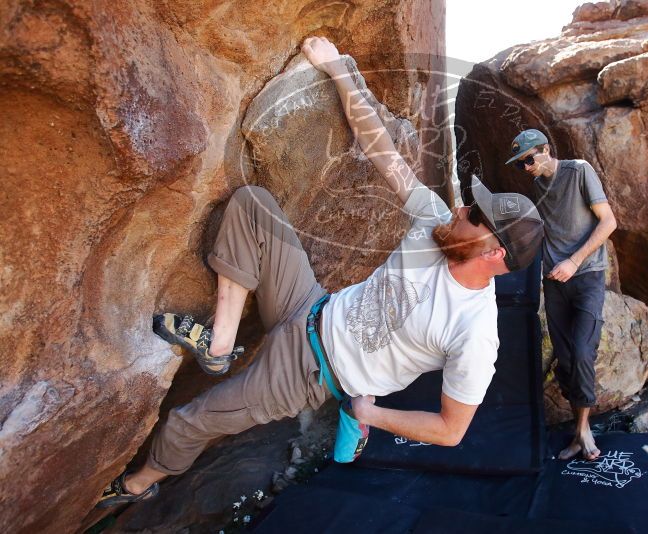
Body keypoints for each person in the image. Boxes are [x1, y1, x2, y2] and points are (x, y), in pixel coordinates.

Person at [97, 36, 543, 507]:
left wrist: (370, 410)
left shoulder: (475, 332)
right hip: (309, 304)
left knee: (187, 422)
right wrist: (338, 71)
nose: (461, 208)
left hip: (310, 373)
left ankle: (137, 486)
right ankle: (221, 344)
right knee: (254, 206)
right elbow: (382, 151)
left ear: (494, 253)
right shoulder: (434, 219)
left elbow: (452, 431)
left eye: (475, 215)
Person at [505, 129, 617, 461]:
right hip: (554, 284)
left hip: (586, 277)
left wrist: (574, 260)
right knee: (567, 360)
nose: (526, 168)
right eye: (520, 164)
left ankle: (584, 430)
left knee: (583, 351)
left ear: (545, 150)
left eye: (528, 159)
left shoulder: (578, 170)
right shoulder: (537, 187)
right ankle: (578, 432)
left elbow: (609, 222)